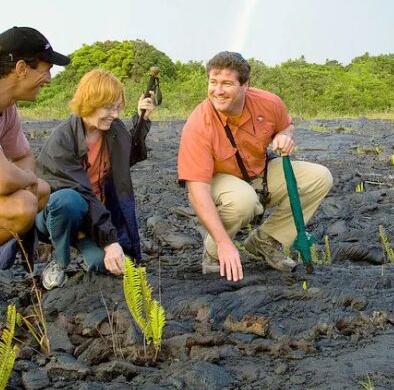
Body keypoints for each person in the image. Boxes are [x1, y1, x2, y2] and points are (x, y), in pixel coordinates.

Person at [178, 51, 333, 282]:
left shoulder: (268, 103)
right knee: (243, 200)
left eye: (227, 84)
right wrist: (223, 244)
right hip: (221, 180)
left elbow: (286, 126)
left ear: (245, 85)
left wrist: (283, 136)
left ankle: (267, 240)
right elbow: (197, 190)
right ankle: (213, 253)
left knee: (320, 177)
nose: (218, 91)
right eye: (213, 82)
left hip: (259, 173)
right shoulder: (198, 124)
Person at [36, 69, 156, 290]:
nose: (115, 114)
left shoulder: (113, 129)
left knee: (112, 265)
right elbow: (82, 192)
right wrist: (110, 242)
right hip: (56, 216)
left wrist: (141, 121)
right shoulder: (61, 140)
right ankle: (59, 260)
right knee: (67, 200)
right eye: (109, 108)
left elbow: (128, 157)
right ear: (89, 102)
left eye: (118, 107)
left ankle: (83, 241)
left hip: (93, 219)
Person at [0, 26, 70, 268]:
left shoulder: (7, 108)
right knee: (21, 206)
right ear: (21, 69)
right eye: (46, 70)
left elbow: (23, 156)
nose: (49, 79)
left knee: (39, 190)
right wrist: (22, 179)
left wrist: (25, 179)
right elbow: (4, 179)